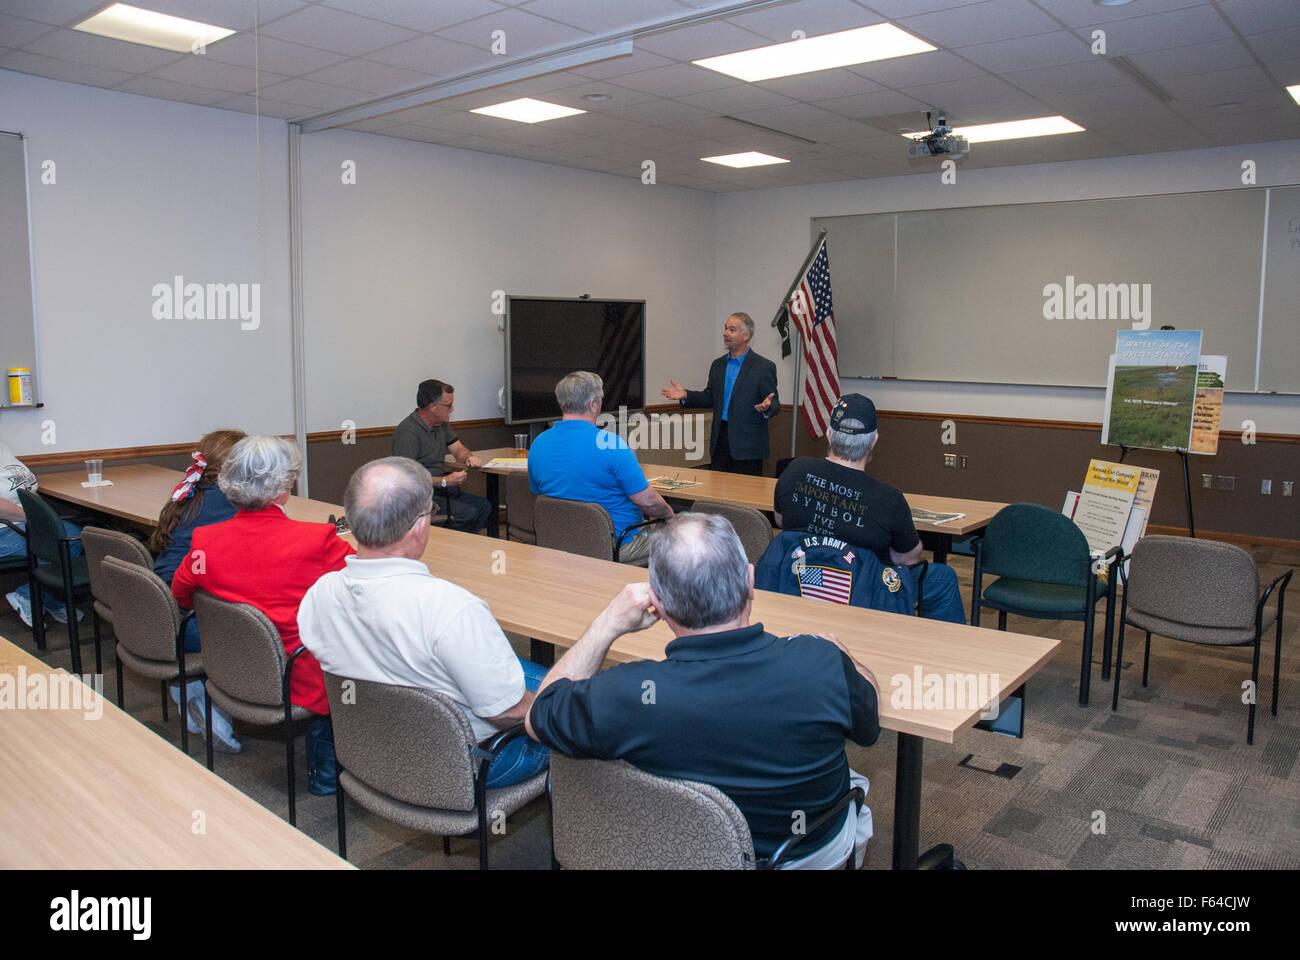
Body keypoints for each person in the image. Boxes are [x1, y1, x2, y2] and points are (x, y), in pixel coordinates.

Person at [526, 513, 880, 869]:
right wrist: (845, 657)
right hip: (801, 853)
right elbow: (869, 726)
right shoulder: (821, 663)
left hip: (675, 853)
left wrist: (608, 623)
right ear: (750, 581)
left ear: (658, 605)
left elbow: (539, 711)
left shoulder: (629, 694)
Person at [299, 457, 549, 788]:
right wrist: (554, 709)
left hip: (368, 752)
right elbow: (508, 714)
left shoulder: (319, 594)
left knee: (539, 677)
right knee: (575, 708)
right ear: (419, 527)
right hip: (462, 766)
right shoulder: (453, 609)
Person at [171, 436, 354, 795]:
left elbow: (181, 593)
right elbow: (363, 585)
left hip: (232, 668)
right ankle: (325, 775)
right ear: (285, 486)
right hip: (297, 676)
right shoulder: (315, 540)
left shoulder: (205, 540)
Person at [774, 393, 966, 624]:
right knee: (943, 578)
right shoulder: (888, 499)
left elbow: (782, 521)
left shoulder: (795, 471)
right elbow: (906, 557)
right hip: (862, 592)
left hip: (798, 577)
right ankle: (936, 656)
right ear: (874, 440)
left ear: (828, 434)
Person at [150, 428, 245, 753]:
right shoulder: (230, 504)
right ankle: (213, 704)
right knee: (262, 626)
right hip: (188, 621)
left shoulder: (190, 492)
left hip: (157, 613)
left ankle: (190, 688)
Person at [528, 371, 673, 565]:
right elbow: (648, 503)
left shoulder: (538, 444)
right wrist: (670, 515)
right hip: (615, 545)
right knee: (679, 538)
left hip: (560, 542)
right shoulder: (611, 445)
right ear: (593, 404)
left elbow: (538, 491)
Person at [662, 312, 778, 476]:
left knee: (743, 497)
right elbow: (710, 397)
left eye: (732, 330)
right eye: (725, 329)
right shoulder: (718, 365)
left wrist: (767, 407)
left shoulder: (763, 367)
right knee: (718, 495)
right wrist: (686, 395)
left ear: (746, 335)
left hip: (748, 447)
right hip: (720, 440)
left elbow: (775, 403)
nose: (725, 333)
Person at [1, 432, 83, 628]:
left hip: (24, 522)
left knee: (77, 536)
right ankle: (32, 596)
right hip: (5, 529)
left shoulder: (2, 447)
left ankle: (38, 596)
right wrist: (37, 519)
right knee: (64, 541)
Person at [391, 379, 492, 533]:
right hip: (420, 497)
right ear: (432, 407)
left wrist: (467, 458)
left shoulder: (441, 425)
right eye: (448, 405)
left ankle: (463, 547)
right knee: (468, 514)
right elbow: (406, 479)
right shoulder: (408, 432)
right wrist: (444, 482)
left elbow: (458, 449)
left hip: (441, 490)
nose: (452, 409)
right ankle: (446, 547)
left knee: (484, 507)